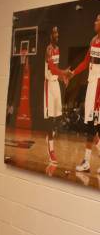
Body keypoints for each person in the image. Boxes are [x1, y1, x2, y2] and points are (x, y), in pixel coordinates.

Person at [70, 14, 100, 173]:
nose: (95, 22)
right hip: (92, 85)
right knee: (90, 126)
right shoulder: (93, 40)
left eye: (98, 20)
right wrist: (72, 73)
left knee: (97, 126)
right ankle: (87, 162)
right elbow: (86, 62)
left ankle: (87, 161)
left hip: (99, 88)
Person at [44, 26, 70, 164]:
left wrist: (62, 78)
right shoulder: (48, 49)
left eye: (57, 31)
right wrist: (64, 73)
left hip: (55, 84)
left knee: (58, 116)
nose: (57, 34)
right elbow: (52, 69)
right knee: (50, 119)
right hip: (48, 85)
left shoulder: (57, 49)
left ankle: (49, 137)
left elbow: (56, 72)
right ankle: (51, 150)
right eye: (54, 32)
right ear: (50, 35)